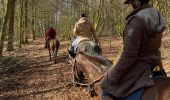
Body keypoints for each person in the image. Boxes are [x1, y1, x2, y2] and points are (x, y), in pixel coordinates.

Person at [100, 0, 167, 100]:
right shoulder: (156, 16)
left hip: (139, 68)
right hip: (155, 65)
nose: (130, 7)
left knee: (105, 86)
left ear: (136, 3)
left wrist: (111, 77)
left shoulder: (136, 22)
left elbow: (129, 55)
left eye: (130, 3)